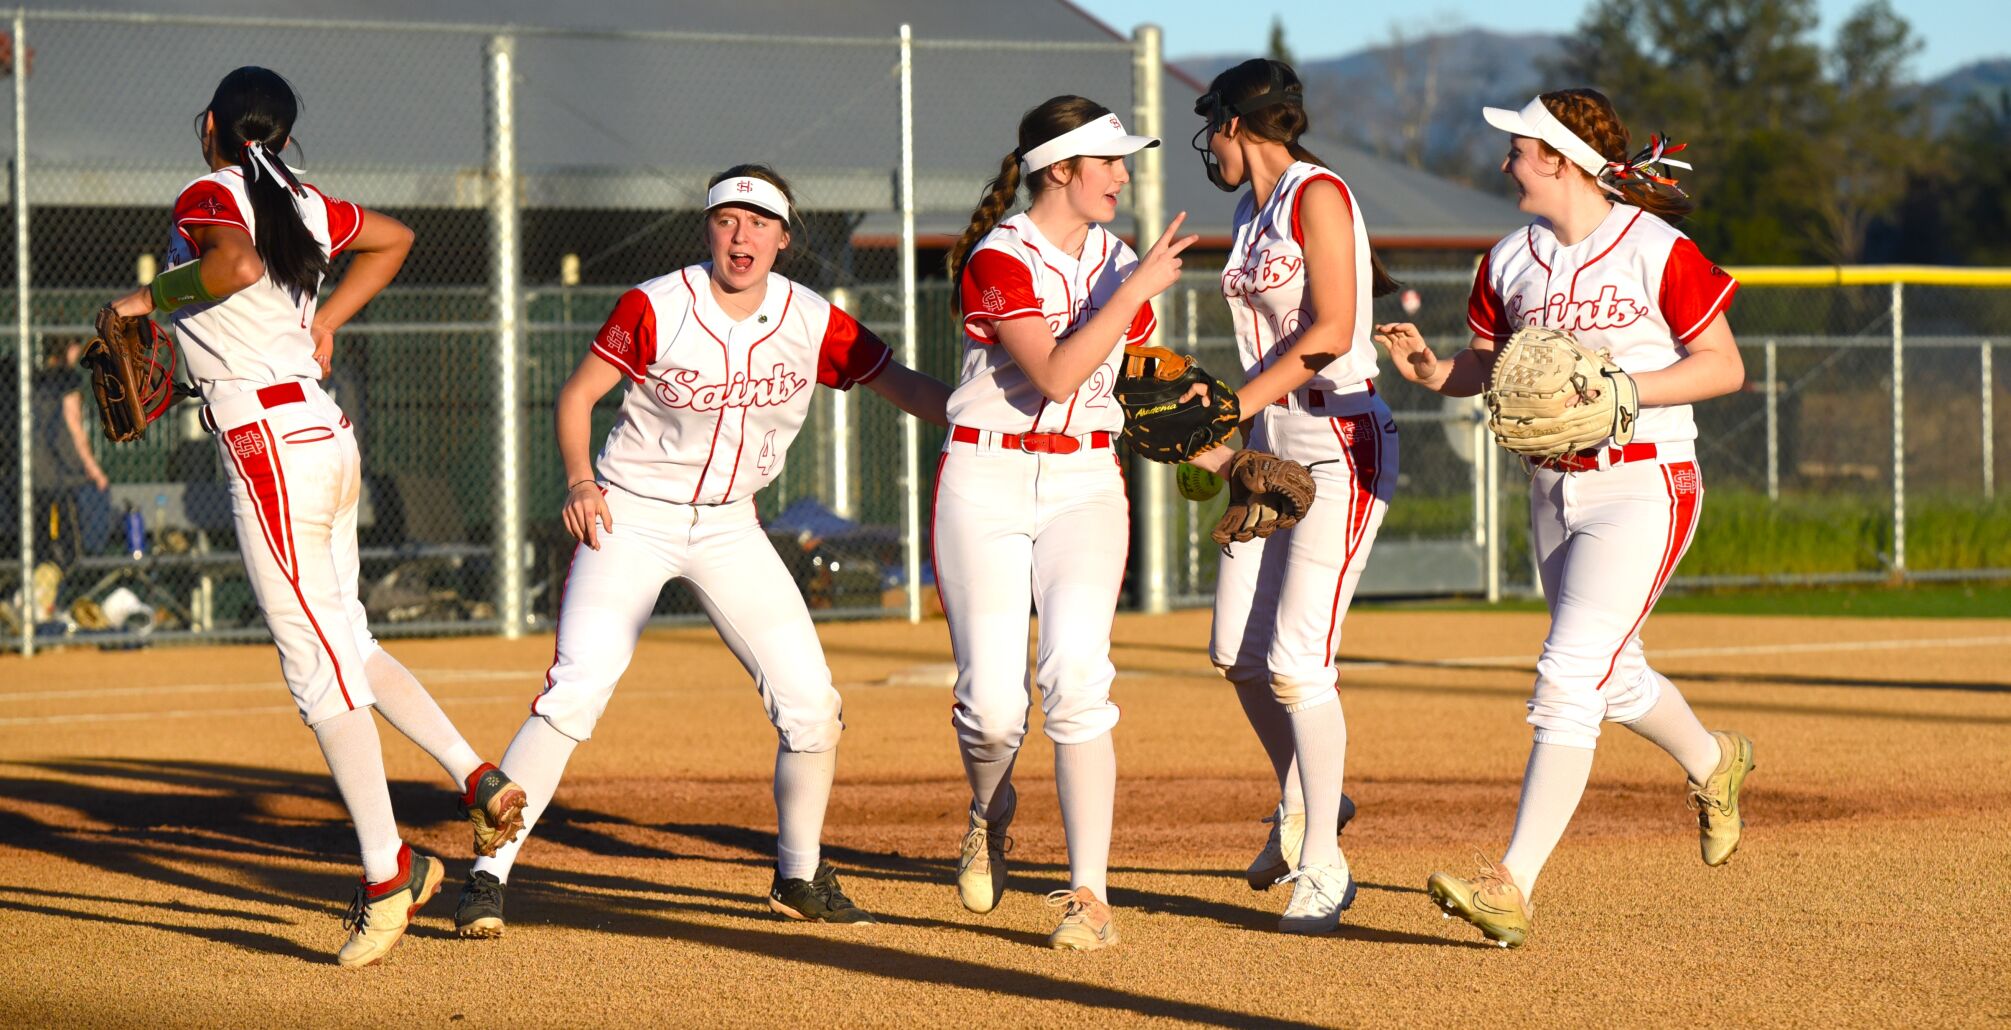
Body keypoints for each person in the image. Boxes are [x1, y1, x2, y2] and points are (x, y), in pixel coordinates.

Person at [99, 66, 528, 968]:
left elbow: (235, 266)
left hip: (267, 443)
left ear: (210, 121)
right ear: (284, 138)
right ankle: (474, 775)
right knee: (350, 643)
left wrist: (149, 299)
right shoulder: (300, 196)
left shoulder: (211, 188)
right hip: (322, 433)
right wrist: (326, 320)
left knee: (314, 669)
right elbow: (394, 239)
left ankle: (389, 877)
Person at [454, 164, 951, 936]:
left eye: (758, 222)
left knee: (812, 706)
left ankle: (798, 874)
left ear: (784, 240)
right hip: (631, 516)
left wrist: (991, 415)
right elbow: (578, 394)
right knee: (576, 689)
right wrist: (582, 481)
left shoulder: (812, 318)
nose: (741, 234)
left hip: (730, 526)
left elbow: (904, 386)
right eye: (726, 219)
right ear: (707, 231)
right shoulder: (657, 304)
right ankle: (487, 873)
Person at [1375, 88, 1755, 948]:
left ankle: (1510, 883)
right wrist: (1436, 372)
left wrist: (1624, 389)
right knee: (1610, 678)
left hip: (1645, 482)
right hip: (1551, 488)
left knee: (1566, 674)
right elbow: (1491, 369)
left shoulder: (1655, 248)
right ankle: (1713, 761)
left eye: (1517, 148)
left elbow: (1721, 366)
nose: (1504, 162)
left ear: (1556, 158)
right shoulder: (1507, 259)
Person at [939, 94, 1192, 951]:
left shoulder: (1122, 256)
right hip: (988, 476)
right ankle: (988, 807)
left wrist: (1225, 459)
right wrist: (1137, 291)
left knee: (1077, 681)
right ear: (1059, 170)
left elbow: (1135, 382)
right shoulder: (998, 256)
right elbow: (1050, 373)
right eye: (1108, 160)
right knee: (990, 709)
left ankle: (1089, 895)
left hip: (1087, 477)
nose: (1123, 175)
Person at [1181, 58, 1402, 934]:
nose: (1211, 141)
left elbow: (1333, 329)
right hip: (1275, 442)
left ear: (1238, 122)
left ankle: (1324, 864)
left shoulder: (1317, 192)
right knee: (1235, 650)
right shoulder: (1249, 210)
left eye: (1213, 123)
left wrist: (1233, 406)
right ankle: (1312, 801)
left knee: (1295, 663)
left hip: (1339, 436)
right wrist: (1235, 432)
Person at [30, 337, 112, 580]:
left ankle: (48, 580)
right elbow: (74, 425)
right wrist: (93, 469)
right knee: (70, 538)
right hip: (62, 473)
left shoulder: (37, 378)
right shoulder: (66, 379)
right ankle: (68, 582)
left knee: (43, 535)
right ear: (69, 349)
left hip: (37, 470)